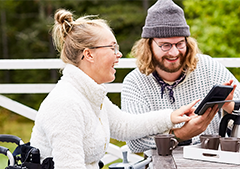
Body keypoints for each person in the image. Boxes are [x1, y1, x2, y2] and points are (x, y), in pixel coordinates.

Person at [29, 9, 207, 169]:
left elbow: (125, 126)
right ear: (88, 54)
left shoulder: (88, 95)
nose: (119, 54)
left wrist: (171, 117)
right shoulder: (65, 103)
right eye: (112, 47)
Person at [121, 0, 240, 153]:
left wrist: (230, 106)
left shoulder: (208, 67)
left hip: (213, 160)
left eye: (180, 44)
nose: (174, 53)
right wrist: (182, 135)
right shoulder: (134, 82)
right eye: (165, 45)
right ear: (148, 45)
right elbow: (135, 143)